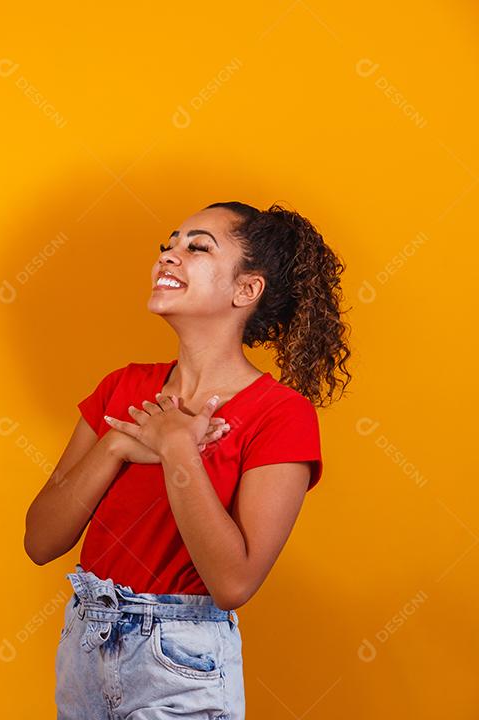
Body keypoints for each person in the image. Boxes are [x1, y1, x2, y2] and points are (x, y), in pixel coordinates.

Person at [24, 202, 352, 719]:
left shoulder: (281, 415)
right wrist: (116, 446)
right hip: (86, 646)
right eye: (168, 245)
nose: (168, 256)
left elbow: (233, 583)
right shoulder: (122, 387)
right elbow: (41, 541)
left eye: (197, 247)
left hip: (182, 662)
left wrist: (176, 447)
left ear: (247, 289)